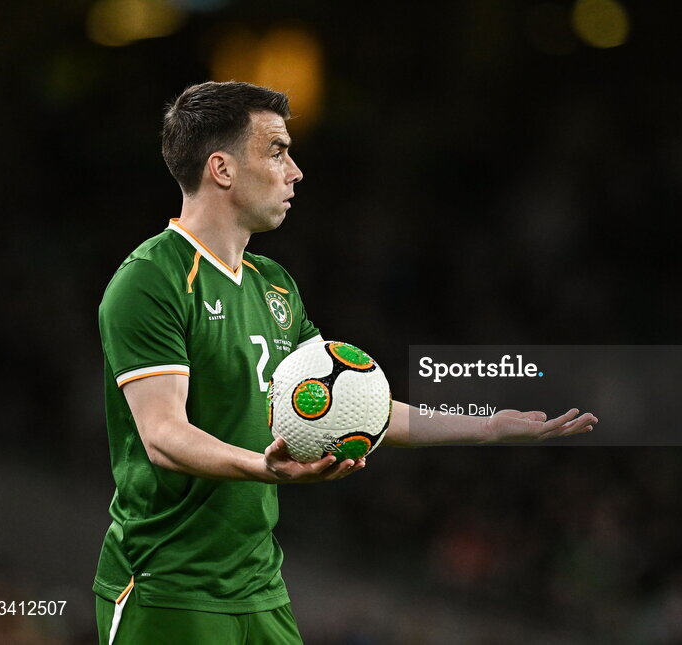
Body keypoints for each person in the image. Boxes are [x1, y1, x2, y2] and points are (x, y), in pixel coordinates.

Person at [94, 80, 597, 645]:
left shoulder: (275, 287)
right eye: (278, 151)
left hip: (258, 587)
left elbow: (360, 404)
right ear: (222, 169)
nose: (296, 171)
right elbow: (163, 435)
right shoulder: (150, 281)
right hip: (168, 589)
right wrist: (269, 468)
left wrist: (488, 425)